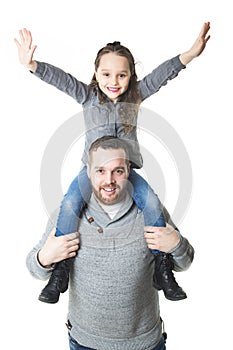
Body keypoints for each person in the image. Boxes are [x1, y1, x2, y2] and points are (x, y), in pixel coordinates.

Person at [15, 22, 210, 303]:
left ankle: (163, 268)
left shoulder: (135, 97)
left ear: (131, 76)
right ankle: (60, 270)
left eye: (121, 75)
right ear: (96, 74)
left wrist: (189, 55)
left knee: (152, 203)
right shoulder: (87, 97)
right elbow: (62, 79)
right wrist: (33, 65)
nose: (114, 81)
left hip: (124, 174)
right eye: (106, 74)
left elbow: (161, 76)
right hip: (92, 172)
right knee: (70, 203)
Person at [26, 136, 195, 350]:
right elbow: (34, 268)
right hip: (85, 343)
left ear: (129, 172)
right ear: (88, 172)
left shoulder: (152, 212)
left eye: (118, 171)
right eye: (100, 171)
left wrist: (176, 244)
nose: (109, 180)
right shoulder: (68, 214)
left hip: (145, 344)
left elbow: (184, 262)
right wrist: (44, 257)